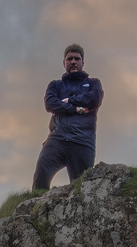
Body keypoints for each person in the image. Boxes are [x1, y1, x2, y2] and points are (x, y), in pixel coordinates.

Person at [32, 43, 104, 190]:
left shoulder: (93, 83)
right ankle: (36, 209)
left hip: (82, 141)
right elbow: (50, 104)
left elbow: (94, 98)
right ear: (64, 63)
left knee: (82, 188)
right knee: (42, 170)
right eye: (69, 59)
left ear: (82, 63)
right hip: (57, 139)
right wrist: (77, 109)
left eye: (77, 59)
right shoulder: (55, 85)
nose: (73, 62)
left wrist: (68, 100)